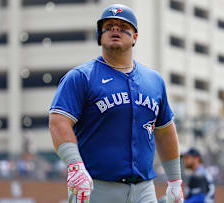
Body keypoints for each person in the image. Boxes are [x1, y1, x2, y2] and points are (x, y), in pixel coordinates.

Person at [49, 4, 184, 203]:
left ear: (135, 36)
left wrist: (174, 180)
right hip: (96, 187)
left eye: (122, 26)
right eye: (109, 26)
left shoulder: (154, 81)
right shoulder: (81, 77)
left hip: (144, 189)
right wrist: (74, 165)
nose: (115, 29)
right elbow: (58, 120)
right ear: (100, 35)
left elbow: (164, 130)